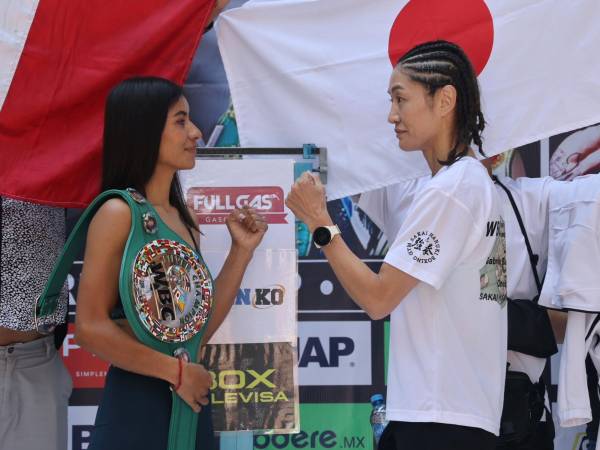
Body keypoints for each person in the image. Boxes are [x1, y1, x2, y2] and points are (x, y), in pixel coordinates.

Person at [286, 40, 507, 450]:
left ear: (445, 100)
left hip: (439, 421)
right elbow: (364, 171)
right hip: (444, 416)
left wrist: (319, 223)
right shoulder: (453, 183)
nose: (392, 116)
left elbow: (379, 298)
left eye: (401, 99)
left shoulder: (453, 190)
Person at [74, 77, 267, 450]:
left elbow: (195, 332)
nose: (195, 132)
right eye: (180, 121)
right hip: (137, 405)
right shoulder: (118, 213)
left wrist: (240, 252)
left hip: (188, 400)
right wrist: (176, 373)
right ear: (144, 130)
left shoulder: (183, 217)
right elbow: (90, 327)